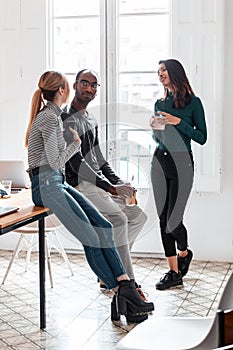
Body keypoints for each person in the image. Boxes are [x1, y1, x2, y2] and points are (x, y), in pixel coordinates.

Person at [25, 70, 154, 323]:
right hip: (46, 186)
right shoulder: (52, 118)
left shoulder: (54, 116)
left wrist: (114, 182)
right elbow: (55, 161)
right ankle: (122, 292)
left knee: (105, 227)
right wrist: (74, 142)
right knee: (92, 238)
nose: (86, 88)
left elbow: (62, 164)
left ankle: (124, 285)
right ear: (64, 89)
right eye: (77, 85)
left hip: (57, 183)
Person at [61, 69, 148, 295]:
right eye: (85, 83)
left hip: (95, 184)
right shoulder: (64, 118)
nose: (89, 88)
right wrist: (110, 187)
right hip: (77, 186)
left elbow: (98, 159)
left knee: (138, 216)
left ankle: (108, 272)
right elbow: (76, 164)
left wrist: (120, 182)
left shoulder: (90, 119)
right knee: (118, 220)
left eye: (94, 85)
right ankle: (128, 283)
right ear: (75, 84)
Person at [150, 59, 207, 290]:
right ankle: (173, 272)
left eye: (163, 70)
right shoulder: (159, 102)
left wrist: (178, 121)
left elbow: (201, 137)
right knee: (163, 220)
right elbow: (159, 139)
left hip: (182, 164)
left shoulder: (194, 103)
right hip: (159, 163)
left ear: (175, 73)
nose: (160, 74)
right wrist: (155, 130)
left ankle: (184, 253)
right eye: (158, 71)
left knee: (174, 221)